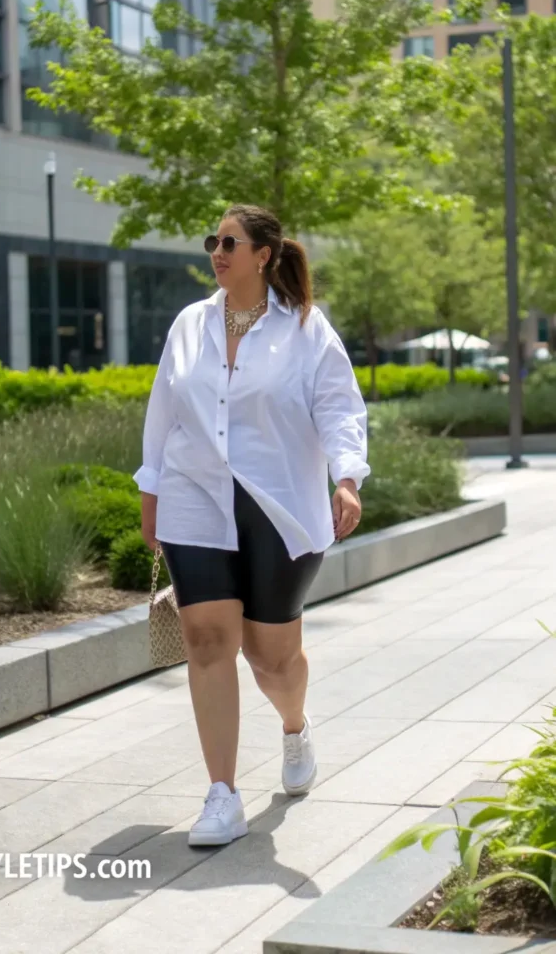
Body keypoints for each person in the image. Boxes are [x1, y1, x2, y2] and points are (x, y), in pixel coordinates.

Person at [134, 204, 369, 847]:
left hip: (279, 504)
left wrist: (346, 477)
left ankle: (294, 726)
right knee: (208, 641)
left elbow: (339, 406)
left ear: (264, 254)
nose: (217, 250)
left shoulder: (305, 329)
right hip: (195, 497)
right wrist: (151, 490)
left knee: (272, 655)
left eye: (229, 241)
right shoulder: (190, 325)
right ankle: (221, 794)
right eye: (213, 240)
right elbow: (165, 411)